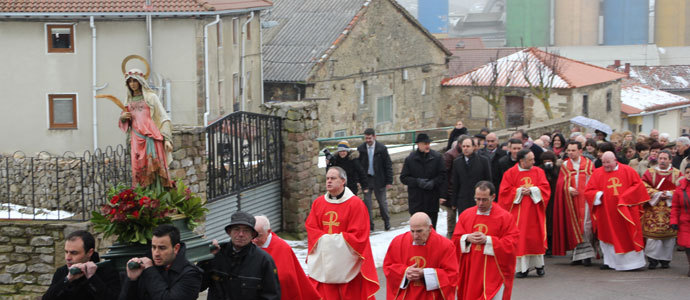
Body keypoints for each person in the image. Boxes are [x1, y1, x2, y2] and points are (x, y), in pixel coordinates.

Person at [305, 167, 379, 299]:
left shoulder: (355, 204)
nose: (328, 181)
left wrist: (329, 240)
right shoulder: (318, 203)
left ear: (343, 181)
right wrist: (329, 240)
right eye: (327, 178)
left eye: (333, 178)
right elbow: (311, 227)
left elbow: (359, 234)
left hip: (348, 263)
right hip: (325, 263)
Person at [585, 152, 650, 271]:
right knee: (607, 235)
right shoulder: (598, 173)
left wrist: (624, 198)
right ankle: (610, 262)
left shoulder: (628, 171)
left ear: (615, 160)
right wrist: (598, 195)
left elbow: (638, 186)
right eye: (603, 162)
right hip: (606, 213)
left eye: (608, 162)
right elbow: (589, 191)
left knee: (628, 234)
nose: (606, 165)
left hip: (626, 212)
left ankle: (633, 264)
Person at [454, 181, 519, 300]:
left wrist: (488, 240)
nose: (480, 203)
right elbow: (455, 240)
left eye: (484, 199)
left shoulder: (504, 217)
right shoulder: (466, 215)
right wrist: (467, 238)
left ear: (493, 197)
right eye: (477, 199)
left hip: (493, 270)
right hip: (471, 270)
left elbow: (512, 242)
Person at [199, 211, 280, 300]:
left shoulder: (264, 260)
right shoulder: (216, 254)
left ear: (252, 235)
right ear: (229, 232)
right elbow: (197, 285)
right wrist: (205, 258)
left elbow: (272, 296)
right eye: (237, 229)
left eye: (246, 230)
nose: (241, 234)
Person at [498, 149, 551, 278]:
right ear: (521, 161)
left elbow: (545, 188)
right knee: (521, 239)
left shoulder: (539, 171)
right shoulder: (510, 173)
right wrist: (519, 191)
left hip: (535, 213)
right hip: (518, 214)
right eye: (530, 159)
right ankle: (523, 268)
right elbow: (504, 192)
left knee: (535, 239)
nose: (534, 161)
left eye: (533, 159)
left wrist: (533, 190)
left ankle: (539, 266)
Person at [383, 212, 458, 300]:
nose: (415, 236)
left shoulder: (445, 245)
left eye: (419, 231)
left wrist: (425, 274)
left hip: (431, 296)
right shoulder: (398, 242)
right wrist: (405, 272)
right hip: (406, 295)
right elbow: (388, 268)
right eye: (412, 231)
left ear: (430, 228)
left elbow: (452, 275)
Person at [119, 68, 173, 188]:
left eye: (135, 81)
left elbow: (163, 117)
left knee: (155, 166)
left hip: (152, 137)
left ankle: (158, 195)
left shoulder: (151, 97)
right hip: (136, 138)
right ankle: (143, 197)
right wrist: (123, 117)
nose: (132, 84)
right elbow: (125, 121)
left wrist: (167, 139)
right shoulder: (128, 100)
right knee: (138, 167)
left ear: (140, 81)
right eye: (130, 81)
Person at [120, 224, 203, 300]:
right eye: (153, 247)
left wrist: (150, 270)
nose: (156, 253)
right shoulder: (144, 267)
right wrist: (132, 280)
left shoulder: (191, 274)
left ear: (176, 248)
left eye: (162, 248)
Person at [253, 216, 320, 300]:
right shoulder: (247, 243)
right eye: (252, 235)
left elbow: (285, 278)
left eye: (258, 236)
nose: (254, 240)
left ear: (268, 231)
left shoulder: (281, 247)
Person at [552, 141, 596, 266]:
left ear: (580, 151)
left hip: (586, 200)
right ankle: (577, 255)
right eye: (569, 151)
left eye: (573, 150)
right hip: (571, 201)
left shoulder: (588, 164)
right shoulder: (565, 165)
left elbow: (594, 180)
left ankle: (587, 255)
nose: (570, 153)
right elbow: (560, 183)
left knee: (586, 226)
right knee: (574, 226)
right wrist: (568, 189)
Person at [43, 230, 120, 300]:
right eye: (66, 252)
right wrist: (67, 280)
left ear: (89, 252)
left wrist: (92, 278)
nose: (68, 257)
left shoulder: (106, 271)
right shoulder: (62, 272)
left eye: (74, 253)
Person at [641, 150, 681, 269]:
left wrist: (669, 193)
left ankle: (665, 260)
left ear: (670, 160)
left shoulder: (677, 173)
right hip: (654, 208)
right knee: (653, 237)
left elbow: (682, 187)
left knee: (668, 238)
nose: (662, 161)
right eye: (660, 158)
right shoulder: (650, 172)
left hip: (669, 209)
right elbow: (643, 185)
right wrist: (657, 194)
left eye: (665, 159)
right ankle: (652, 259)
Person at [400, 133, 446, 228]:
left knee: (431, 228)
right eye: (425, 143)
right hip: (416, 201)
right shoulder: (410, 159)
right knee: (417, 229)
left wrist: (433, 182)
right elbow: (404, 178)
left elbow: (443, 175)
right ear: (418, 144)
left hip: (431, 200)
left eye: (428, 143)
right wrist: (417, 182)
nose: (427, 146)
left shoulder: (437, 157)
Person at [357, 128, 393, 231]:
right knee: (367, 204)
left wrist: (389, 181)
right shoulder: (361, 149)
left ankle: (387, 222)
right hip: (366, 180)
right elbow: (358, 166)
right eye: (366, 138)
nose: (368, 140)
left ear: (374, 137)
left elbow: (388, 165)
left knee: (382, 202)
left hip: (379, 179)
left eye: (369, 138)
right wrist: (359, 180)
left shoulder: (382, 149)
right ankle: (370, 226)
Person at [450, 136, 492, 217]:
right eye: (463, 146)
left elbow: (488, 180)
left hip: (479, 200)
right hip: (463, 200)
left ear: (473, 147)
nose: (465, 148)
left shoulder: (483, 161)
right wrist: (454, 202)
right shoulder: (457, 162)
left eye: (468, 146)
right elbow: (455, 183)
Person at [441, 136, 464, 238]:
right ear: (460, 145)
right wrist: (445, 193)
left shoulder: (464, 155)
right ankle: (451, 237)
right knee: (451, 217)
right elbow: (445, 175)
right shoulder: (450, 155)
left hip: (461, 191)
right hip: (450, 192)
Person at [538, 151, 559, 255]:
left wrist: (552, 171)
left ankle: (552, 245)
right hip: (543, 200)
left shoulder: (557, 170)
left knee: (553, 223)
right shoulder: (539, 170)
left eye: (549, 161)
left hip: (554, 198)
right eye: (545, 162)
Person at [671, 165, 690, 277]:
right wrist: (674, 221)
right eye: (687, 172)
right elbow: (675, 207)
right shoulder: (679, 189)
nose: (689, 174)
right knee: (688, 246)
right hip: (685, 221)